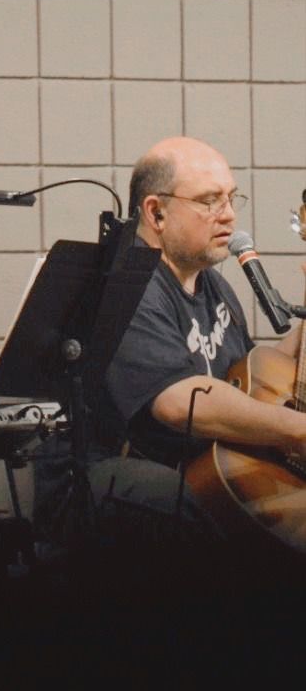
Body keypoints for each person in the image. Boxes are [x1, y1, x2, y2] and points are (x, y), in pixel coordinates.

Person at [40, 136, 306, 586]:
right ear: (155, 213)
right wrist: (298, 431)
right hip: (103, 470)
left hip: (189, 461)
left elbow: (254, 378)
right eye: (208, 201)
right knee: (188, 504)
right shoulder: (125, 288)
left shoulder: (213, 287)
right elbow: (178, 402)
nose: (228, 214)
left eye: (231, 198)